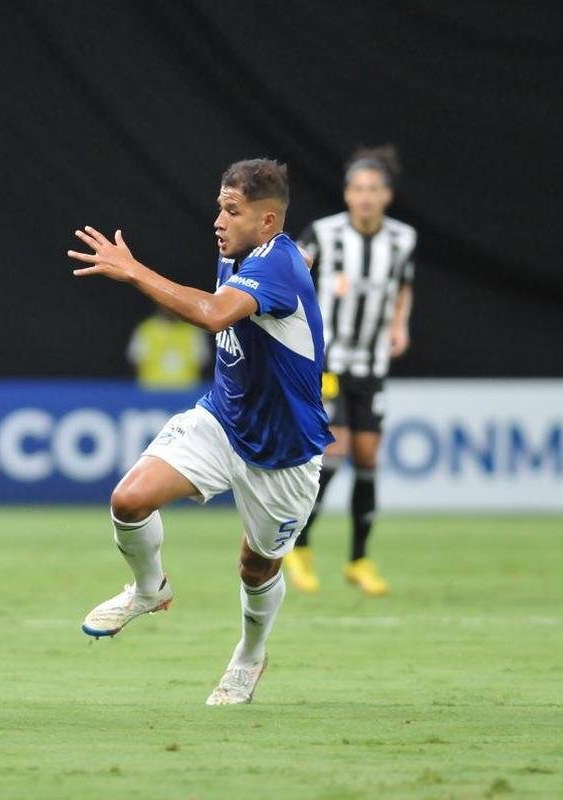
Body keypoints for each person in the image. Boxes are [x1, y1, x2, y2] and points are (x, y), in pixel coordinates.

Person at [67, 159, 332, 705]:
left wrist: (133, 270)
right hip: (222, 420)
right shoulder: (240, 250)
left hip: (284, 452)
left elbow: (214, 315)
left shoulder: (276, 264)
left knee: (256, 566)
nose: (218, 220)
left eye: (231, 211)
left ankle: (250, 655)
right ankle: (148, 589)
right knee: (129, 498)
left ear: (268, 223)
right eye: (219, 206)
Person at [283, 146, 416, 597]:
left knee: (367, 456)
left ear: (386, 195)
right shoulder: (323, 233)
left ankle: (359, 559)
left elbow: (404, 286)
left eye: (372, 190)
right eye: (357, 189)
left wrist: (400, 326)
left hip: (372, 363)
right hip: (329, 361)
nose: (364, 197)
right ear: (347, 193)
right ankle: (299, 546)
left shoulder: (402, 240)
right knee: (334, 450)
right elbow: (290, 272)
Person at [126, 307, 210, 389]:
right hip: (152, 390)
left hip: (185, 391)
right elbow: (135, 359)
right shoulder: (146, 329)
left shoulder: (193, 330)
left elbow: (202, 361)